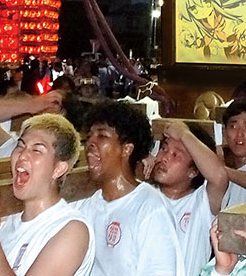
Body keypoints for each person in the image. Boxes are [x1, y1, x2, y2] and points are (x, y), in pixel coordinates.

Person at [0, 113, 95, 275]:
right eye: (20, 146)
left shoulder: (72, 230)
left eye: (36, 150)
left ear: (58, 169)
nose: (22, 156)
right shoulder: (5, 222)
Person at [76, 101, 184, 275]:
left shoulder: (151, 209)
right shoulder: (85, 208)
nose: (90, 143)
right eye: (88, 137)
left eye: (102, 136)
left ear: (126, 149)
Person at [150, 119, 229, 275]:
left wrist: (184, 134)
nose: (164, 158)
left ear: (194, 171)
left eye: (176, 155)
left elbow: (219, 176)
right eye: (164, 149)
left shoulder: (201, 203)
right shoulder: (145, 197)